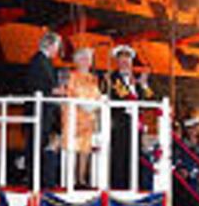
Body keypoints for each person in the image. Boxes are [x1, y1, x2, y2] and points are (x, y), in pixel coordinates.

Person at [109, 44, 155, 189]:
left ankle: (132, 185)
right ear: (117, 61)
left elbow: (149, 99)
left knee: (134, 157)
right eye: (122, 59)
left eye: (127, 59)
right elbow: (123, 97)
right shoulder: (113, 78)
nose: (125, 62)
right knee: (120, 157)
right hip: (121, 123)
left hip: (136, 124)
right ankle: (119, 187)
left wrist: (145, 85)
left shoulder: (135, 80)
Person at [24, 32, 63, 187]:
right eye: (57, 47)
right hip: (38, 112)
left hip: (44, 113)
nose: (58, 50)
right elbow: (35, 85)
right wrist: (54, 91)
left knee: (40, 146)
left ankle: (39, 179)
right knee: (36, 146)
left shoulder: (44, 61)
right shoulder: (38, 62)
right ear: (50, 45)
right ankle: (35, 180)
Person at [62, 48, 102, 188]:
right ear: (77, 61)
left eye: (89, 59)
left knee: (85, 150)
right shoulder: (72, 76)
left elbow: (96, 94)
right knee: (73, 148)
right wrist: (84, 103)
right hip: (75, 116)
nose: (87, 62)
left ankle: (82, 179)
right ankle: (70, 179)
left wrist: (98, 102)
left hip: (88, 117)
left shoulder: (92, 78)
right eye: (84, 59)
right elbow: (71, 93)